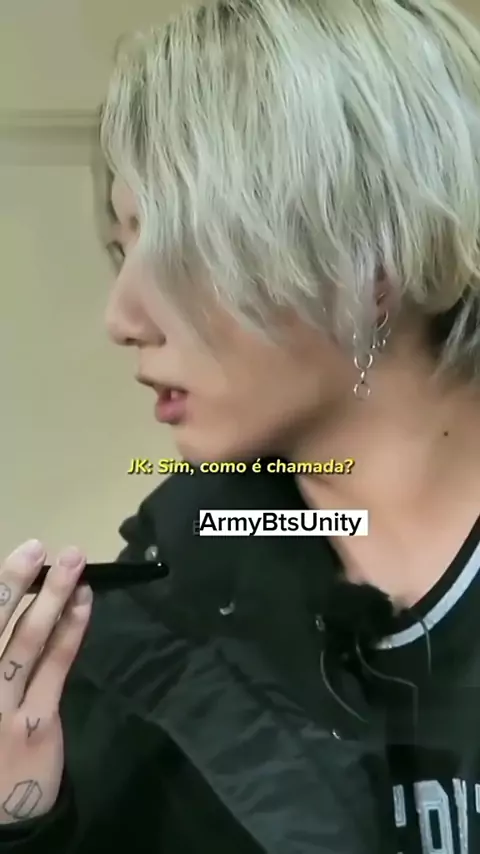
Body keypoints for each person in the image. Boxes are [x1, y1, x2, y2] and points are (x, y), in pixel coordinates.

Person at [2, 0, 480, 851]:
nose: (122, 319)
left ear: (369, 263)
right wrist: (24, 823)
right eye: (122, 251)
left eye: (172, 252)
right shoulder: (154, 627)